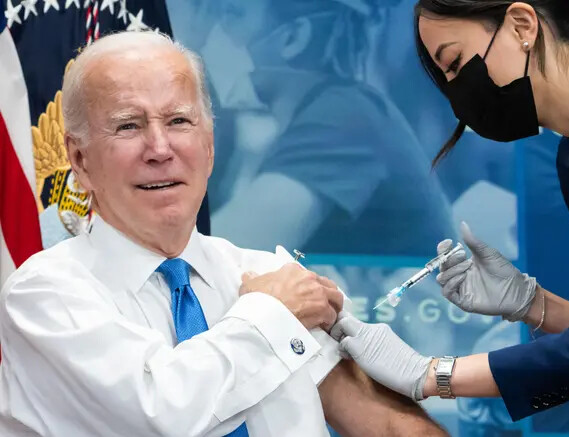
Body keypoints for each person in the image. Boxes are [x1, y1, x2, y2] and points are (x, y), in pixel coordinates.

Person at [0, 31, 447, 437]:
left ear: (210, 149)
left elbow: (388, 426)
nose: (160, 149)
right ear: (79, 161)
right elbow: (161, 414)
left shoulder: (271, 273)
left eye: (178, 121)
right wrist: (270, 312)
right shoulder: (44, 294)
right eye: (128, 125)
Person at [330, 0, 569, 424]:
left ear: (521, 25)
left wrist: (431, 374)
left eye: (455, 63)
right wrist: (531, 303)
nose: (459, 99)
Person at [205, 0, 455, 257]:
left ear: (293, 38)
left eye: (232, 13)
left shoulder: (347, 121)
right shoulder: (312, 117)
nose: (210, 32)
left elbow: (231, 253)